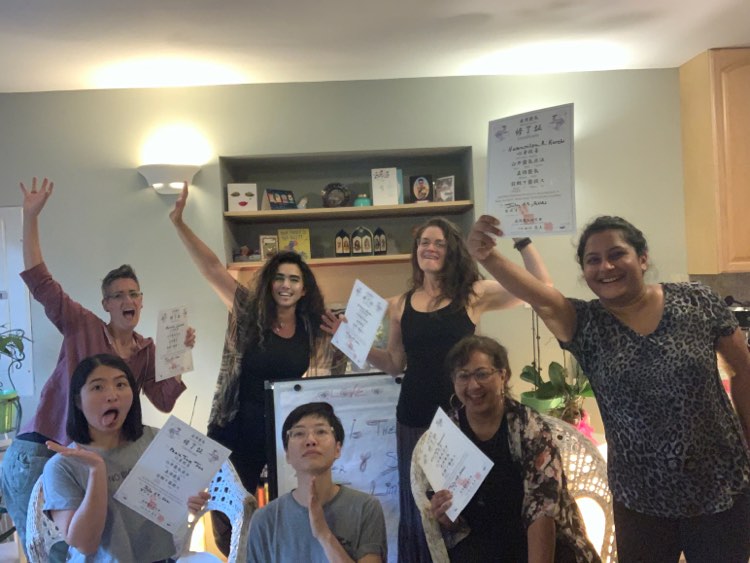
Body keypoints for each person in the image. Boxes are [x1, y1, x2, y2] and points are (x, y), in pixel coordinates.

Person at [468, 214, 750, 562]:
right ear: (585, 271)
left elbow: (743, 369)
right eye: (593, 260)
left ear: (642, 258)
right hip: (640, 500)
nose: (606, 267)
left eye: (617, 254)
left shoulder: (697, 301)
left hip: (721, 487)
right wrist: (488, 256)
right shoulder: (585, 324)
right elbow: (540, 297)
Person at [323, 216, 551, 562]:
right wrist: (350, 339)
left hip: (465, 418)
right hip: (414, 417)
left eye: (439, 243)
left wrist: (522, 239)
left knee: (466, 507)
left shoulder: (473, 293)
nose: (429, 248)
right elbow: (395, 363)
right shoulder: (401, 303)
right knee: (422, 512)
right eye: (424, 242)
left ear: (452, 251)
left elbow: (541, 288)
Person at [1, 177, 192, 553]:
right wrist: (31, 217)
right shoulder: (82, 324)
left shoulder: (146, 350)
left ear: (142, 301)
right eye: (118, 295)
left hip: (90, 458)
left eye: (133, 294)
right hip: (42, 450)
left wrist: (179, 358)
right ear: (106, 304)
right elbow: (40, 281)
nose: (127, 300)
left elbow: (164, 400)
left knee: (95, 547)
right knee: (51, 553)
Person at [169, 183, 329, 555]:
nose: (286, 285)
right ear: (270, 283)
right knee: (229, 513)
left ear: (304, 289)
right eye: (279, 278)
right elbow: (212, 268)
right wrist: (179, 223)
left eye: (294, 280)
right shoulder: (248, 313)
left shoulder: (311, 327)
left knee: (288, 509)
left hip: (283, 432)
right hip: (237, 427)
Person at [418, 335, 600, 562]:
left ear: (503, 375)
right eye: (463, 376)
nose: (473, 385)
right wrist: (445, 515)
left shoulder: (529, 428)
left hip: (534, 535)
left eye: (482, 374)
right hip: (479, 539)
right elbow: (453, 520)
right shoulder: (447, 434)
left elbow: (542, 510)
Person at [42, 354, 209, 562]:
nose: (112, 395)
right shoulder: (61, 467)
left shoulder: (157, 441)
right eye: (98, 387)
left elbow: (171, 507)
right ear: (78, 401)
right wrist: (96, 470)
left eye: (121, 384)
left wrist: (187, 501)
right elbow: (85, 544)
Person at [246, 401, 387, 562]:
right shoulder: (265, 519)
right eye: (299, 433)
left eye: (321, 431)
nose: (311, 440)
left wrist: (324, 534)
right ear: (287, 455)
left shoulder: (366, 508)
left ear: (337, 449)